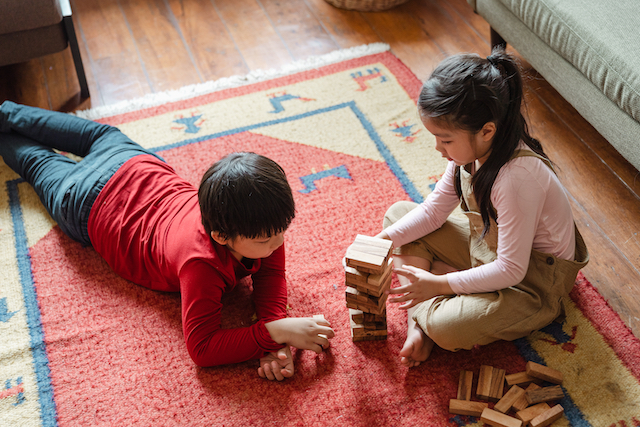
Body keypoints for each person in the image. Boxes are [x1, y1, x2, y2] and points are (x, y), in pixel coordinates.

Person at [0, 101, 334, 381]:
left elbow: (271, 275)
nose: (277, 244)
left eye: (281, 232)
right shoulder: (200, 263)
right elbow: (202, 349)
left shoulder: (262, 226)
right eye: (266, 240)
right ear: (221, 236)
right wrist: (275, 333)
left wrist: (275, 340)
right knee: (33, 158)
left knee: (22, 119)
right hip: (86, 201)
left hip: (128, 158)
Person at [375, 50, 589, 367]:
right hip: (489, 249)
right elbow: (434, 212)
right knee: (398, 215)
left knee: (446, 330)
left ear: (487, 130)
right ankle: (430, 305)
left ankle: (428, 313)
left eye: (445, 140)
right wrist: (378, 243)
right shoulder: (472, 152)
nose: (438, 149)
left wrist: (439, 283)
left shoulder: (516, 179)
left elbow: (511, 270)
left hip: (532, 284)